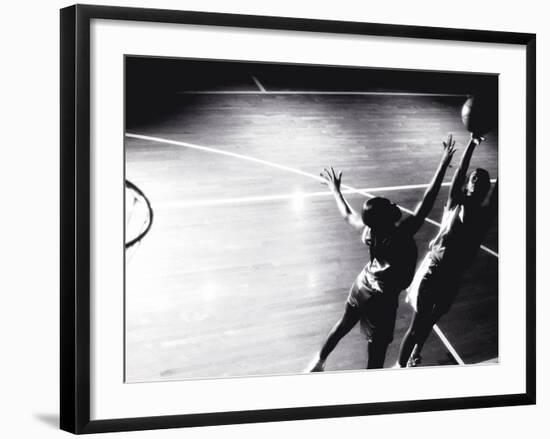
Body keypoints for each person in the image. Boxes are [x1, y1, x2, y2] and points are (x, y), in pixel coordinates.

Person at [306, 136, 457, 371]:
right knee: (376, 356)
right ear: (387, 218)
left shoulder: (370, 231)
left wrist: (335, 190)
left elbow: (347, 214)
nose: (393, 204)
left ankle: (318, 363)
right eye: (389, 205)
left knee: (344, 324)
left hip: (363, 285)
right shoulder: (402, 233)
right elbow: (428, 199)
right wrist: (443, 163)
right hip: (382, 302)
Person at [397, 134, 498, 368]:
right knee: (417, 324)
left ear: (485, 189)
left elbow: (498, 192)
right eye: (474, 178)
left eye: (482, 181)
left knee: (432, 318)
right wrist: (472, 144)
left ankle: (415, 353)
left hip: (452, 276)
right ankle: (399, 370)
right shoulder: (455, 201)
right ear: (468, 183)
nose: (477, 181)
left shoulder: (484, 216)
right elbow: (460, 171)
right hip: (433, 269)